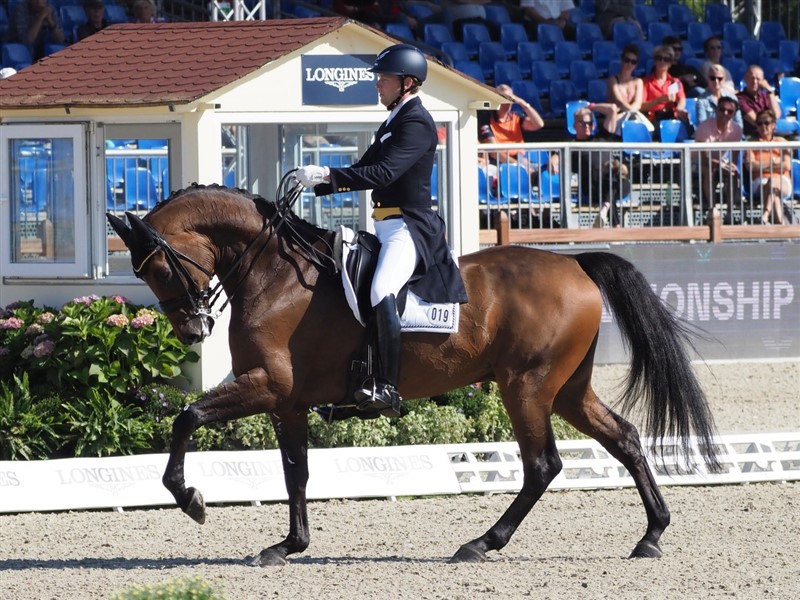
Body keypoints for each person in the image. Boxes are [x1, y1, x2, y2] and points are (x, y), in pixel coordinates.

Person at [295, 44, 468, 417]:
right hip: (385, 225)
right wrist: (319, 182)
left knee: (380, 289)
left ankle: (387, 388)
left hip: (409, 228)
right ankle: (358, 376)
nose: (377, 84)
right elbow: (364, 166)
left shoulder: (417, 123)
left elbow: (384, 173)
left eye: (384, 79)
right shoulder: (392, 122)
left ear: (407, 83)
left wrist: (328, 175)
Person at [569, 106, 630, 228]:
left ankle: (605, 210)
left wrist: (592, 107)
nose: (587, 126)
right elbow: (557, 157)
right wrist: (554, 158)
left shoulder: (601, 137)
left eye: (589, 123)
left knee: (613, 180)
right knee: (608, 185)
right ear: (575, 125)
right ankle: (613, 221)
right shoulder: (572, 146)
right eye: (582, 123)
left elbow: (612, 109)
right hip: (593, 187)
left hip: (617, 184)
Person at [477, 83, 549, 184]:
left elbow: (539, 124)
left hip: (521, 159)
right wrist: (519, 166)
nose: (508, 103)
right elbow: (494, 153)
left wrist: (523, 103)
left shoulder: (516, 118)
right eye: (504, 99)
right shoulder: (487, 120)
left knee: (549, 170)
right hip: (502, 163)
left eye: (510, 99)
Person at [694, 94, 743, 212]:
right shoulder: (704, 126)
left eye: (730, 111)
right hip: (697, 162)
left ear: (734, 114)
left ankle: (730, 211)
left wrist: (732, 165)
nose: (725, 113)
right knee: (709, 170)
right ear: (717, 110)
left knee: (733, 173)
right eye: (722, 109)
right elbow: (703, 157)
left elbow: (735, 154)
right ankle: (713, 210)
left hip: (720, 161)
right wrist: (718, 164)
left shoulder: (737, 130)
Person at [745, 109, 793, 224]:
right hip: (759, 182)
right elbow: (750, 166)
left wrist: (761, 165)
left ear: (773, 125)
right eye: (759, 123)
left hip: (783, 182)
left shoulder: (782, 142)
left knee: (773, 182)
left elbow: (787, 165)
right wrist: (773, 164)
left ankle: (766, 215)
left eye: (766, 123)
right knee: (774, 192)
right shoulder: (751, 143)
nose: (763, 126)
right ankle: (780, 226)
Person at [641, 44, 691, 134]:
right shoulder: (646, 82)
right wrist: (659, 100)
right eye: (659, 58)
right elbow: (641, 106)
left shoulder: (675, 82)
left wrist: (679, 109)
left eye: (666, 59)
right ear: (654, 61)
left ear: (670, 63)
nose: (662, 61)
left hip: (670, 117)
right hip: (653, 119)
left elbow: (681, 99)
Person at [607, 43, 652, 137]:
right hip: (617, 117)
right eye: (627, 60)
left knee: (637, 121)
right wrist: (631, 111)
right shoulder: (613, 80)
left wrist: (631, 111)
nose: (629, 64)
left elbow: (638, 104)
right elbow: (619, 101)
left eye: (633, 62)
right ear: (621, 60)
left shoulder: (638, 81)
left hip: (632, 114)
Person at [737, 65, 781, 139]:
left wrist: (770, 91)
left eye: (758, 79)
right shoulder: (740, 98)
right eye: (752, 78)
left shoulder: (765, 96)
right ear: (745, 79)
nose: (754, 82)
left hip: (769, 133)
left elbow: (776, 115)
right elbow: (755, 121)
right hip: (752, 136)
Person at [696, 63, 743, 129]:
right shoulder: (701, 100)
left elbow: (739, 124)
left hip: (731, 135)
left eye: (720, 78)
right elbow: (702, 125)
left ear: (724, 80)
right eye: (712, 78)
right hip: (710, 136)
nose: (716, 81)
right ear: (708, 79)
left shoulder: (733, 98)